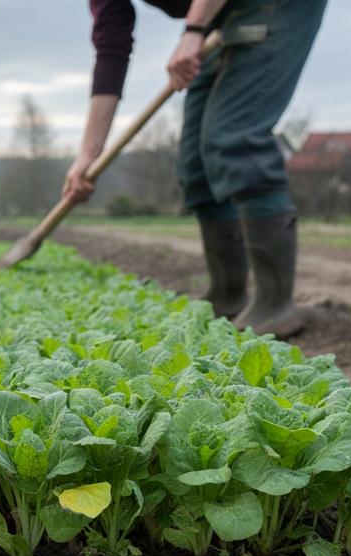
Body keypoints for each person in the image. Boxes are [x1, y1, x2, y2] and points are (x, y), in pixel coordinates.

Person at [66, 0, 327, 337]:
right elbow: (111, 47)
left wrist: (193, 30)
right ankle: (227, 294)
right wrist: (89, 153)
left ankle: (275, 305)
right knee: (195, 165)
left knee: (234, 137)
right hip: (220, 13)